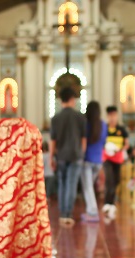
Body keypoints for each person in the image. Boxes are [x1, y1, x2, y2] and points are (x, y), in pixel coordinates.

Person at [49, 87, 86, 226]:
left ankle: (62, 213)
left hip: (61, 156)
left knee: (62, 184)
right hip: (76, 155)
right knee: (71, 184)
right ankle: (68, 213)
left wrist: (51, 157)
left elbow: (53, 141)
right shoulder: (80, 117)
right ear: (72, 99)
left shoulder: (56, 118)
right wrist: (81, 154)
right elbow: (83, 140)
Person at [81, 101, 106, 223]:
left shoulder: (86, 124)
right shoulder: (103, 125)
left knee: (88, 187)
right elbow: (104, 143)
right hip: (98, 160)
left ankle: (92, 212)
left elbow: (83, 142)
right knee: (90, 186)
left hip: (87, 160)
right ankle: (90, 210)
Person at [102, 106, 129, 219]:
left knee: (116, 180)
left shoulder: (122, 129)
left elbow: (126, 144)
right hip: (107, 158)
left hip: (118, 158)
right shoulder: (105, 129)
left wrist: (120, 149)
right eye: (110, 115)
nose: (112, 118)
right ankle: (107, 203)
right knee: (109, 180)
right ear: (107, 116)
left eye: (114, 115)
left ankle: (111, 203)